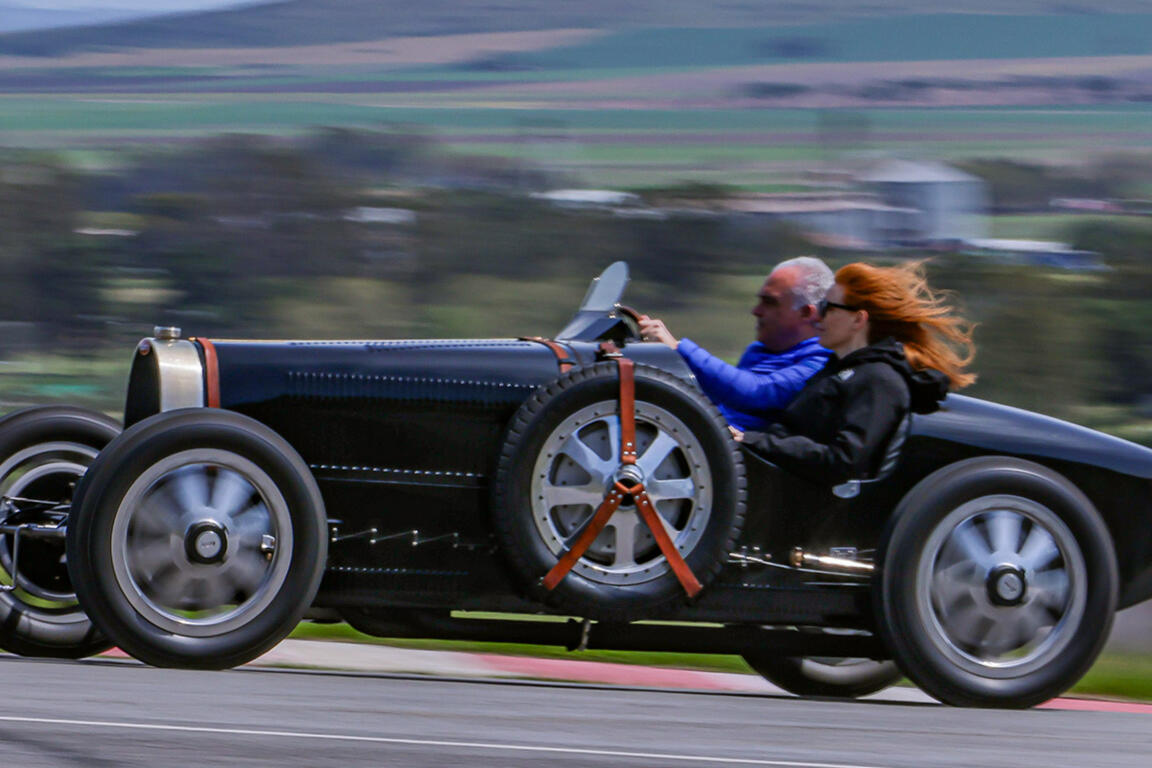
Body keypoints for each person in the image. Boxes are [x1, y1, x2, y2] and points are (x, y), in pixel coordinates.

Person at [735, 261, 974, 486]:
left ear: (858, 319)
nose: (817, 316)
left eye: (827, 308)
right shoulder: (838, 370)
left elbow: (843, 461)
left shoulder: (878, 380)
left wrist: (751, 440)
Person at [638, 257, 834, 432]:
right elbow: (717, 395)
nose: (756, 311)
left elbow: (757, 393)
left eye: (770, 303)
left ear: (807, 313)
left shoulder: (820, 362)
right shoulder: (760, 351)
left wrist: (679, 348)